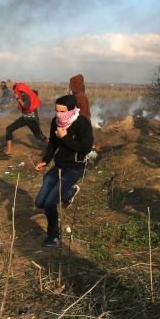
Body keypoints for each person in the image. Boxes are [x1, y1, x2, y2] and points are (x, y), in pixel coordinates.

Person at [34, 95, 94, 247]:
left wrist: (66, 137)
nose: (59, 115)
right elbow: (53, 144)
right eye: (56, 111)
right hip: (59, 166)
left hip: (74, 168)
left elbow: (85, 148)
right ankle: (69, 192)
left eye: (62, 111)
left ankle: (53, 237)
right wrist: (45, 161)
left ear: (72, 110)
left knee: (49, 203)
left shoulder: (82, 124)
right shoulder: (56, 122)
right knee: (40, 202)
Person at [5, 82, 44, 156]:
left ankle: (50, 148)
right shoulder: (25, 95)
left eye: (15, 91)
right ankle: (9, 150)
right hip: (25, 118)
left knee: (40, 137)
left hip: (32, 119)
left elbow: (26, 106)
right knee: (9, 129)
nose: (15, 93)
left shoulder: (26, 95)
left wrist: (18, 98)